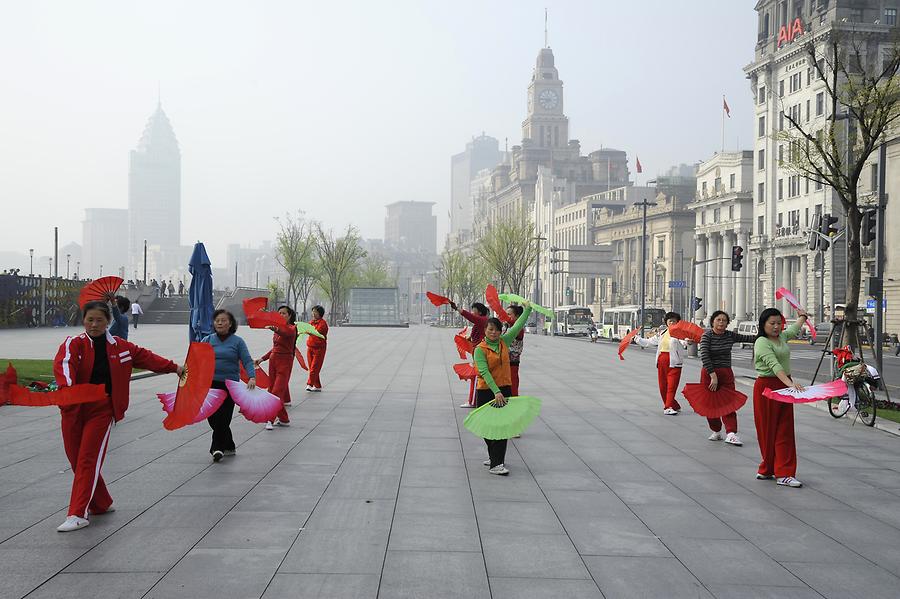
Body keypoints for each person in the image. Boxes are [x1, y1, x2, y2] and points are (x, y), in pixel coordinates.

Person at [52, 301, 182, 532]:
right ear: (83, 320)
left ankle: (78, 513)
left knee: (87, 459)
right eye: (89, 319)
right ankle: (101, 503)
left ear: (108, 322)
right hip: (72, 409)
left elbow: (147, 358)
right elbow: (64, 368)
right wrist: (69, 393)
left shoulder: (121, 347)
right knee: (76, 460)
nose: (93, 324)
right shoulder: (74, 344)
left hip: (102, 409)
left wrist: (175, 368)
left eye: (99, 320)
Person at [473, 302, 533, 475]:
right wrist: (495, 391)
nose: (493, 332)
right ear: (485, 330)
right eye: (490, 329)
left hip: (505, 389)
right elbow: (484, 372)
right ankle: (494, 455)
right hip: (486, 391)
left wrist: (527, 309)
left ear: (501, 332)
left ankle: (497, 463)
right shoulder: (480, 350)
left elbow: (518, 325)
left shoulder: (504, 342)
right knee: (487, 427)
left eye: (496, 330)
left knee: (502, 427)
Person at [753, 307, 808, 488]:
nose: (777, 327)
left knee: (785, 429)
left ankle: (784, 472)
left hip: (784, 387)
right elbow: (774, 365)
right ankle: (767, 468)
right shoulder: (761, 342)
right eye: (772, 323)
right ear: (763, 324)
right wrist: (790, 384)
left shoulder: (782, 337)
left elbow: (793, 330)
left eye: (779, 323)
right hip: (768, 388)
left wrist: (802, 317)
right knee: (767, 431)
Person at [202, 309, 256, 462]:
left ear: (230, 323)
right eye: (217, 320)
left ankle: (217, 448)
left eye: (223, 320)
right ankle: (229, 444)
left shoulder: (237, 341)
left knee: (224, 417)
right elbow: (197, 360)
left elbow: (247, 360)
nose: (220, 323)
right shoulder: (207, 340)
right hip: (211, 384)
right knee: (212, 417)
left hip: (229, 385)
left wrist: (252, 377)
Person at [698, 310, 756, 446]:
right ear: (712, 321)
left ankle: (731, 433)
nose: (721, 322)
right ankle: (716, 430)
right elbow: (705, 356)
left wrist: (766, 333)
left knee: (728, 403)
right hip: (709, 374)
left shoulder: (730, 335)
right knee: (710, 405)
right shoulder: (707, 336)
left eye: (724, 320)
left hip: (726, 373)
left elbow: (749, 338)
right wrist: (713, 376)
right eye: (718, 320)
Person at [635, 312, 689, 415]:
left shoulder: (680, 333)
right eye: (670, 321)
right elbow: (649, 342)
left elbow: (684, 342)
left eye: (674, 321)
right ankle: (674, 405)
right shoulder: (662, 333)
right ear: (667, 322)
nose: (672, 322)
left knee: (671, 386)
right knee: (663, 387)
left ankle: (667, 407)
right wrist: (637, 339)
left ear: (678, 322)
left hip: (675, 363)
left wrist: (687, 341)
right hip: (662, 361)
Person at [255, 305, 298, 429]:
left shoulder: (292, 328)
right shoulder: (278, 329)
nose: (281, 315)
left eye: (284, 313)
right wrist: (262, 359)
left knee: (276, 391)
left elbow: (284, 332)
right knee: (272, 390)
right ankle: (284, 419)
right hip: (274, 361)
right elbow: (275, 348)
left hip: (285, 362)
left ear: (289, 315)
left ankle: (270, 419)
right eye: (279, 313)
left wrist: (275, 328)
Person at [451, 301, 490, 407]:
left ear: (480, 312)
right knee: (476, 375)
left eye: (474, 311)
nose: (472, 313)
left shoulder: (482, 320)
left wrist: (458, 309)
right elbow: (474, 335)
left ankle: (473, 401)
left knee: (477, 375)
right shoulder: (481, 322)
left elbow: (469, 317)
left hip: (480, 352)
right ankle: (474, 400)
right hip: (477, 351)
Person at [504, 305, 526, 397]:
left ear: (517, 317)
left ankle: (513, 398)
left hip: (512, 360)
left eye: (509, 314)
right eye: (506, 314)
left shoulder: (519, 328)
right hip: (504, 358)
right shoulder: (506, 326)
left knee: (512, 380)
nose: (506, 316)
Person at [306, 305, 328, 392]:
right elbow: (307, 330)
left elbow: (315, 332)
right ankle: (317, 385)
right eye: (313, 312)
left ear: (320, 314)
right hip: (310, 347)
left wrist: (308, 330)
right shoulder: (311, 322)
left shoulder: (323, 324)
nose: (313, 314)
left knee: (314, 367)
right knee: (312, 367)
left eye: (315, 312)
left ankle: (310, 384)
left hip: (319, 348)